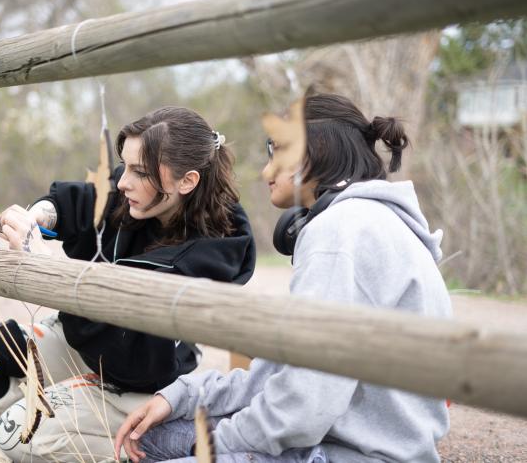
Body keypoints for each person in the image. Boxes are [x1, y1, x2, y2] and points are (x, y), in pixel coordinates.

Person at [115, 93, 452, 463]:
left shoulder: (340, 234)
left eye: (276, 152)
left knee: (158, 448)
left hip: (351, 454)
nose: (266, 171)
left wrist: (208, 445)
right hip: (335, 442)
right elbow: (278, 375)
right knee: (151, 439)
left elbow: (302, 407)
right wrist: (179, 396)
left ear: (312, 152)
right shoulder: (359, 223)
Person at [0, 106, 256, 462]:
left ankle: (150, 445)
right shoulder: (138, 197)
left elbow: (132, 346)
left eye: (139, 172)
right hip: (86, 341)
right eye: (124, 165)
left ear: (187, 181)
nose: (124, 180)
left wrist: (48, 268)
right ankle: (50, 446)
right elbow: (82, 201)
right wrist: (38, 216)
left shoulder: (212, 250)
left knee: (22, 431)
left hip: (139, 377)